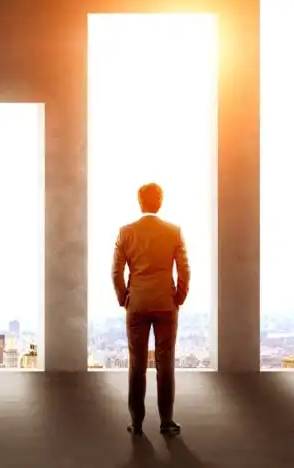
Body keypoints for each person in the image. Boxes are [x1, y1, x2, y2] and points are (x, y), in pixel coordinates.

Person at [111, 182, 190, 437]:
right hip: (166, 305)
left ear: (140, 202)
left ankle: (136, 424)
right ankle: (167, 422)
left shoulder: (126, 233)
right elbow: (184, 270)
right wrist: (178, 297)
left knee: (137, 365)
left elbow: (116, 271)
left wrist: (124, 298)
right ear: (160, 202)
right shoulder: (174, 232)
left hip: (137, 306)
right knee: (165, 364)